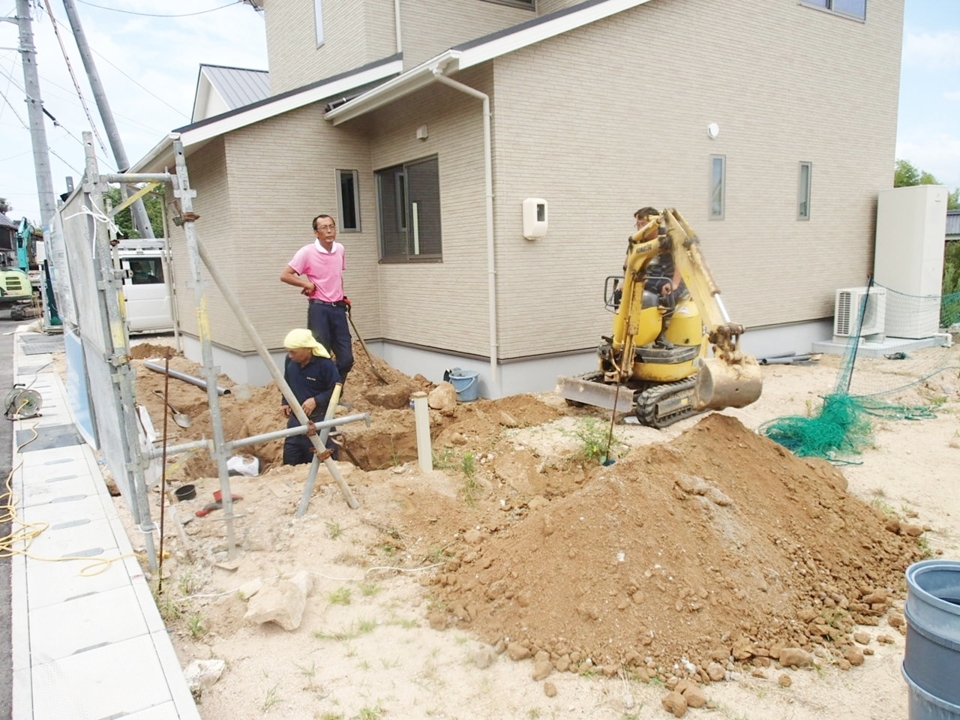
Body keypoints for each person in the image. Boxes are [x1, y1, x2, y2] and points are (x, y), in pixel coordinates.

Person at [280, 214, 354, 388]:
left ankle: (333, 393)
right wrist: (306, 283)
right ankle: (321, 396)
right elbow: (285, 275)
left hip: (338, 308)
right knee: (322, 354)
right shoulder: (307, 252)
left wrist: (342, 295)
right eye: (324, 228)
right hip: (319, 309)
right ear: (316, 232)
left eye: (332, 226)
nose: (329, 231)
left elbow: (336, 276)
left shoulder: (340, 249)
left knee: (346, 359)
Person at [280, 328, 341, 466]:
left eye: (293, 352)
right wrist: (285, 401)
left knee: (323, 466)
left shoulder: (325, 365)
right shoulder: (290, 362)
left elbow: (337, 390)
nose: (290, 355)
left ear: (307, 349)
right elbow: (286, 383)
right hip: (296, 423)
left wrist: (316, 400)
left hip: (320, 422)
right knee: (290, 464)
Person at [633, 207, 687, 349]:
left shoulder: (669, 238)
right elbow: (630, 262)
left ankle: (661, 335)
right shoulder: (637, 240)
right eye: (637, 224)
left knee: (666, 295)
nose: (640, 228)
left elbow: (681, 261)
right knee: (624, 295)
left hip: (669, 277)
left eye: (643, 224)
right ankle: (630, 333)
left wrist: (674, 283)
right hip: (650, 277)